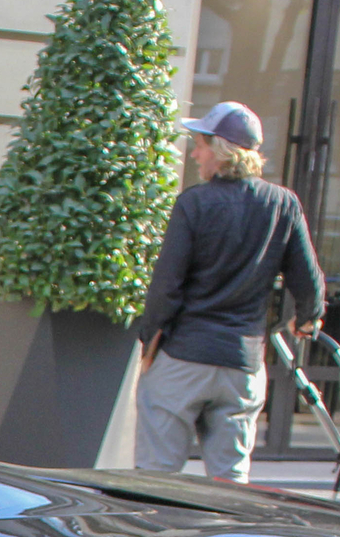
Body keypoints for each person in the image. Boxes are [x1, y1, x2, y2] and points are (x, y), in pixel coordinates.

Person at [129, 101, 324, 485]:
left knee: (155, 482)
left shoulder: (194, 203)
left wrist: (148, 340)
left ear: (219, 149)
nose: (195, 153)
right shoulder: (283, 204)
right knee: (231, 484)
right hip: (242, 365)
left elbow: (166, 286)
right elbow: (310, 285)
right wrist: (304, 320)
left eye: (199, 144)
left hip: (184, 358)